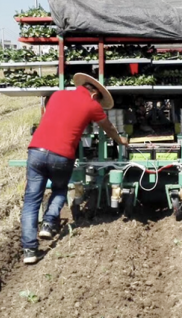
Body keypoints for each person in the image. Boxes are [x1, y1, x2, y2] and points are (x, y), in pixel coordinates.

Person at [21, 73, 129, 264]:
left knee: (31, 199)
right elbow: (108, 127)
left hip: (36, 151)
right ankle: (48, 223)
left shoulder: (58, 95)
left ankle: (29, 250)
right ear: (95, 94)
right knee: (60, 189)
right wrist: (120, 140)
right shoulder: (92, 105)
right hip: (61, 155)